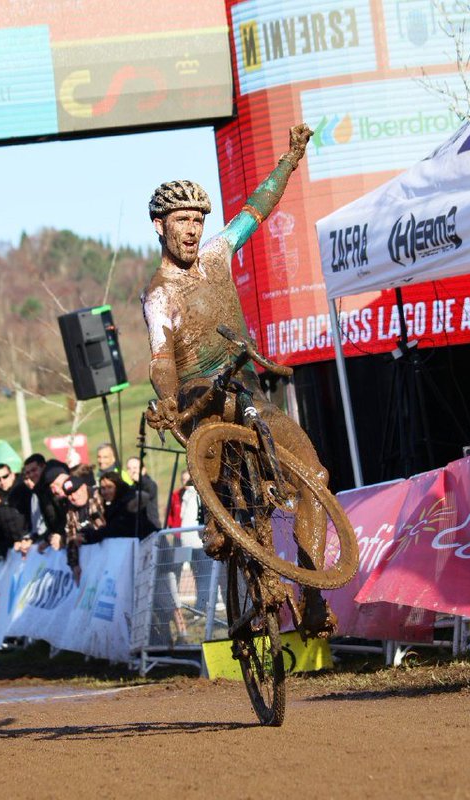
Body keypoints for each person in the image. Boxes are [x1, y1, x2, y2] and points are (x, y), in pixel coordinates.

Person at [141, 123, 338, 637]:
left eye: (198, 220)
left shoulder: (217, 254)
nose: (192, 230)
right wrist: (166, 399)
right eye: (181, 220)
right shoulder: (159, 292)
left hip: (246, 390)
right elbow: (162, 358)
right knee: (222, 502)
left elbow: (258, 208)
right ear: (159, 227)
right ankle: (220, 519)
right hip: (200, 400)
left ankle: (312, 589)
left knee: (314, 477)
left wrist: (291, 158)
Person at [125, 456, 161, 531]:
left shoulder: (149, 483)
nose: (132, 471)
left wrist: (140, 479)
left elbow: (151, 490)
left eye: (135, 468)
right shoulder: (132, 487)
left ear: (143, 470)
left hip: (152, 528)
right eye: (129, 468)